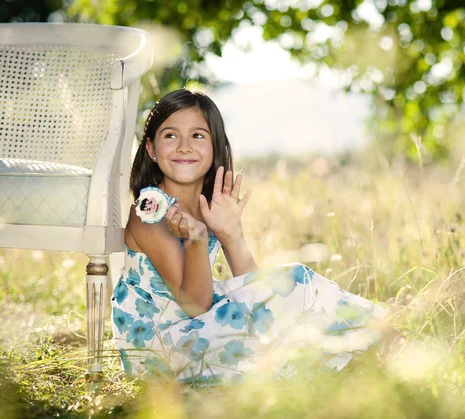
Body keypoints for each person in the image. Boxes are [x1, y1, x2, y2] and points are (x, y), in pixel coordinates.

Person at [111, 89, 387, 385]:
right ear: (151, 149)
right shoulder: (151, 210)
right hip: (160, 350)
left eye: (198, 136)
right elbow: (194, 304)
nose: (184, 146)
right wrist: (197, 239)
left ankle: (380, 339)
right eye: (170, 136)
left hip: (197, 332)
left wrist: (230, 234)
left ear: (216, 147)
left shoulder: (209, 206)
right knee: (295, 282)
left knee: (290, 294)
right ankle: (386, 337)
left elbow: (255, 286)